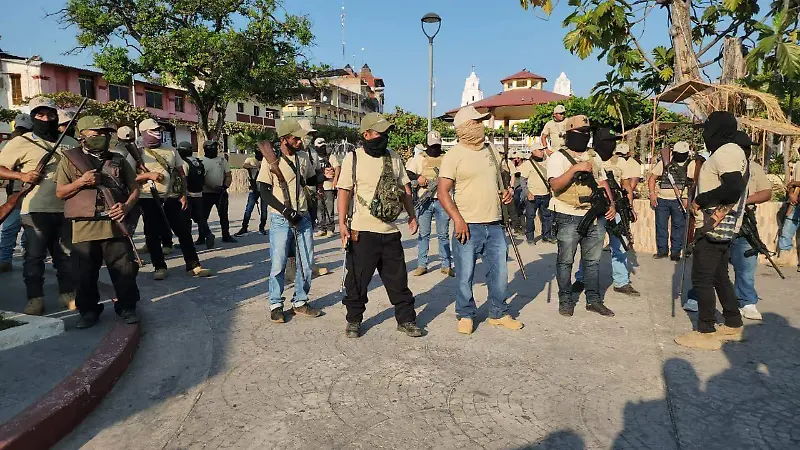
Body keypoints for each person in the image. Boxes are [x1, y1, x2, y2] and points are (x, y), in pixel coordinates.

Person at [337, 112, 423, 338]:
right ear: (366, 134)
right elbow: (344, 191)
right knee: (357, 280)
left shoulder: (394, 157)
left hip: (390, 232)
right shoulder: (352, 158)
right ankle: (354, 320)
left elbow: (405, 190)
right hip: (361, 231)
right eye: (380, 133)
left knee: (398, 280)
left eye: (386, 133)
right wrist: (342, 224)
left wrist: (412, 216)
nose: (385, 137)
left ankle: (406, 320)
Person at [438, 105, 522, 334]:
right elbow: (443, 192)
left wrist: (507, 193)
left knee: (500, 274)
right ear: (464, 127)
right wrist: (457, 219)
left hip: (495, 224)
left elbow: (501, 182)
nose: (480, 126)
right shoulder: (453, 155)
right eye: (476, 123)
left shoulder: (492, 150)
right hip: (467, 225)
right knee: (465, 275)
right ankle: (465, 314)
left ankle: (499, 313)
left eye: (481, 122)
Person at [53, 116, 140, 328]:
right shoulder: (69, 159)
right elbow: (60, 192)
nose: (100, 138)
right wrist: (82, 182)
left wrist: (126, 207)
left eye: (104, 134)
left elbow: (135, 188)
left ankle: (127, 307)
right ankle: (89, 311)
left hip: (114, 225)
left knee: (124, 270)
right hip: (84, 226)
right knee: (84, 273)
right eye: (94, 134)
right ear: (81, 136)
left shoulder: (118, 159)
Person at [674, 112, 748, 350]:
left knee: (702, 278)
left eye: (708, 127)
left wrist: (700, 200)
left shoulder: (727, 151)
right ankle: (733, 323)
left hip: (712, 224)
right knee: (719, 276)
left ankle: (706, 330)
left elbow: (732, 188)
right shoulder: (733, 151)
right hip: (723, 225)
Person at [0, 97, 77, 314]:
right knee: (34, 258)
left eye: (50, 115)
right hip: (34, 210)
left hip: (67, 208)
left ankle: (68, 295)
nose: (45, 119)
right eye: (40, 115)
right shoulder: (20, 142)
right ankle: (35, 299)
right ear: (33, 117)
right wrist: (21, 174)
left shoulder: (70, 143)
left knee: (67, 256)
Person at [546, 115, 616, 318]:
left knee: (592, 262)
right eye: (580, 133)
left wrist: (610, 204)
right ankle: (566, 300)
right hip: (567, 214)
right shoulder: (558, 157)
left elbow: (603, 183)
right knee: (566, 261)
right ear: (569, 134)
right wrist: (575, 169)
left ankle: (593, 300)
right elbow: (555, 185)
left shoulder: (594, 157)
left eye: (587, 133)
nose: (584, 136)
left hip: (594, 215)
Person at [256, 119, 322, 323]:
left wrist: (323, 176)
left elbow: (309, 179)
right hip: (280, 219)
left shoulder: (303, 156)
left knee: (306, 262)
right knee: (278, 264)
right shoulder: (271, 159)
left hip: (303, 217)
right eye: (296, 138)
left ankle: (300, 301)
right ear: (284, 139)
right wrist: (285, 210)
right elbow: (264, 191)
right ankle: (275, 304)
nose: (300, 141)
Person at [136, 118, 211, 280]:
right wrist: (148, 175)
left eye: (159, 130)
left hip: (172, 197)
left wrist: (184, 194)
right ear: (143, 133)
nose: (157, 133)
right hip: (149, 198)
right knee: (152, 234)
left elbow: (181, 174)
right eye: (153, 130)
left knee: (184, 231)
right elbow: (129, 178)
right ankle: (159, 267)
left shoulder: (171, 150)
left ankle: (193, 265)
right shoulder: (137, 153)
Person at [572, 129, 640, 297]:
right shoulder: (589, 158)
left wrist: (630, 207)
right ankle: (582, 279)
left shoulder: (620, 161)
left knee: (620, 246)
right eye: (608, 141)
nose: (611, 144)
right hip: (594, 208)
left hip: (616, 208)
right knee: (590, 247)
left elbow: (626, 186)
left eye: (613, 141)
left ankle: (621, 281)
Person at [729, 132, 772, 321]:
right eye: (744, 147)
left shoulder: (754, 168)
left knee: (746, 264)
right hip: (720, 219)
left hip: (745, 221)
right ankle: (697, 297)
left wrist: (745, 200)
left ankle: (747, 302)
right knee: (710, 263)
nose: (747, 151)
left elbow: (767, 192)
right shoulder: (720, 165)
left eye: (748, 148)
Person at [406, 130, 453, 277]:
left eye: (437, 146)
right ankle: (422, 264)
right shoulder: (420, 158)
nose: (435, 149)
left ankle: (446, 264)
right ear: (427, 145)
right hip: (424, 199)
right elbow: (407, 173)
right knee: (423, 234)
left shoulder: (447, 158)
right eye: (432, 146)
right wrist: (419, 177)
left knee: (443, 234)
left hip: (442, 200)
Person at [648, 141, 696, 260]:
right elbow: (652, 178)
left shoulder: (691, 164)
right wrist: (652, 194)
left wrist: (686, 198)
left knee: (679, 226)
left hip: (679, 200)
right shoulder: (665, 162)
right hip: (662, 199)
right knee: (661, 226)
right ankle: (662, 251)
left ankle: (675, 252)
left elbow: (693, 184)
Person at [0, 113, 33, 273]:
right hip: (16, 193)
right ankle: (5, 259)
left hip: (26, 192)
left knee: (26, 228)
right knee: (11, 227)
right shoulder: (9, 145)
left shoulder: (34, 143)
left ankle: (8, 258)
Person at [175, 141, 214, 248]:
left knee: (186, 219)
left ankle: (186, 242)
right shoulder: (197, 162)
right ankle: (208, 234)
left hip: (188, 195)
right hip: (199, 194)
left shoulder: (184, 163)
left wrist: (181, 194)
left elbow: (184, 180)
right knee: (200, 218)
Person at [517, 141, 554, 244]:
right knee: (530, 217)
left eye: (542, 150)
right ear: (533, 152)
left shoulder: (547, 162)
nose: (542, 152)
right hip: (533, 195)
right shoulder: (528, 164)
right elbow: (522, 180)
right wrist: (527, 193)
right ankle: (530, 237)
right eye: (540, 150)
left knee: (547, 216)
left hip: (545, 194)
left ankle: (546, 236)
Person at [200, 140, 235, 243]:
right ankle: (202, 237)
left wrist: (225, 186)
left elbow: (228, 175)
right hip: (206, 193)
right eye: (211, 147)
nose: (214, 149)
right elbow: (201, 179)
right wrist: (212, 187)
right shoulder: (201, 162)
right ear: (206, 149)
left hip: (221, 192)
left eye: (215, 147)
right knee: (203, 216)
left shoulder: (222, 161)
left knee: (224, 215)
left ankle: (226, 235)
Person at [234, 149, 268, 236]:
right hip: (254, 189)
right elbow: (245, 165)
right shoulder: (251, 160)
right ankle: (244, 227)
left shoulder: (266, 161)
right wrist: (257, 167)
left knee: (264, 211)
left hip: (264, 189)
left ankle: (262, 228)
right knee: (248, 209)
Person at [313, 137, 340, 237]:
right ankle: (321, 228)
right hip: (318, 186)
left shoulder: (330, 156)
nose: (322, 148)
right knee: (319, 210)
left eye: (324, 146)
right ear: (316, 147)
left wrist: (336, 179)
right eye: (320, 147)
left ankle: (330, 229)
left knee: (329, 209)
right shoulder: (313, 157)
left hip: (329, 187)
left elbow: (337, 167)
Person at [777, 158, 800, 268]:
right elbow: (790, 184)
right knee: (787, 230)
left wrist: (796, 183)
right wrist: (791, 194)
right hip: (796, 204)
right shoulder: (798, 165)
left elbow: (794, 182)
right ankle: (784, 257)